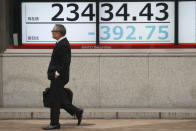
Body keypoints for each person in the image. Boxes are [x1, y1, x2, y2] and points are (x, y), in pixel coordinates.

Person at [43, 24, 83, 130]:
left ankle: (54, 123)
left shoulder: (63, 44)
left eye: (53, 31)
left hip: (59, 77)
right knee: (59, 98)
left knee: (55, 101)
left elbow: (66, 61)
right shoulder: (60, 43)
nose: (52, 32)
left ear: (59, 33)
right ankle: (77, 111)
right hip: (57, 76)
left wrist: (57, 73)